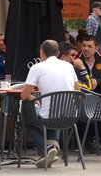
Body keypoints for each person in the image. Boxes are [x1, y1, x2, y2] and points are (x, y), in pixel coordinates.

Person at [21, 39, 80, 168]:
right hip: (71, 116)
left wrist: (36, 100)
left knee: (25, 112)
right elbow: (78, 92)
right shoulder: (68, 66)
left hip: (49, 117)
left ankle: (47, 148)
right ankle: (51, 147)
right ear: (58, 53)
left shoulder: (37, 67)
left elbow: (24, 95)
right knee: (54, 110)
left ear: (42, 52)